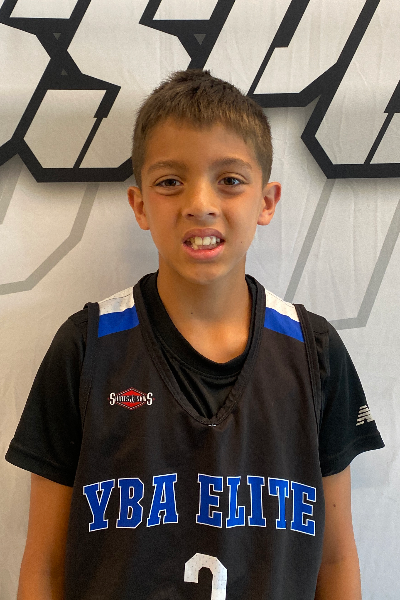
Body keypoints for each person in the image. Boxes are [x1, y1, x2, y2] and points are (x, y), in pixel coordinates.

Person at [6, 69, 384, 600]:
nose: (200, 203)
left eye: (229, 180)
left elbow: (337, 559)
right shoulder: (86, 349)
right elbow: (44, 565)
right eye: (170, 181)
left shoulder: (314, 353)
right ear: (140, 205)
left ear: (267, 201)